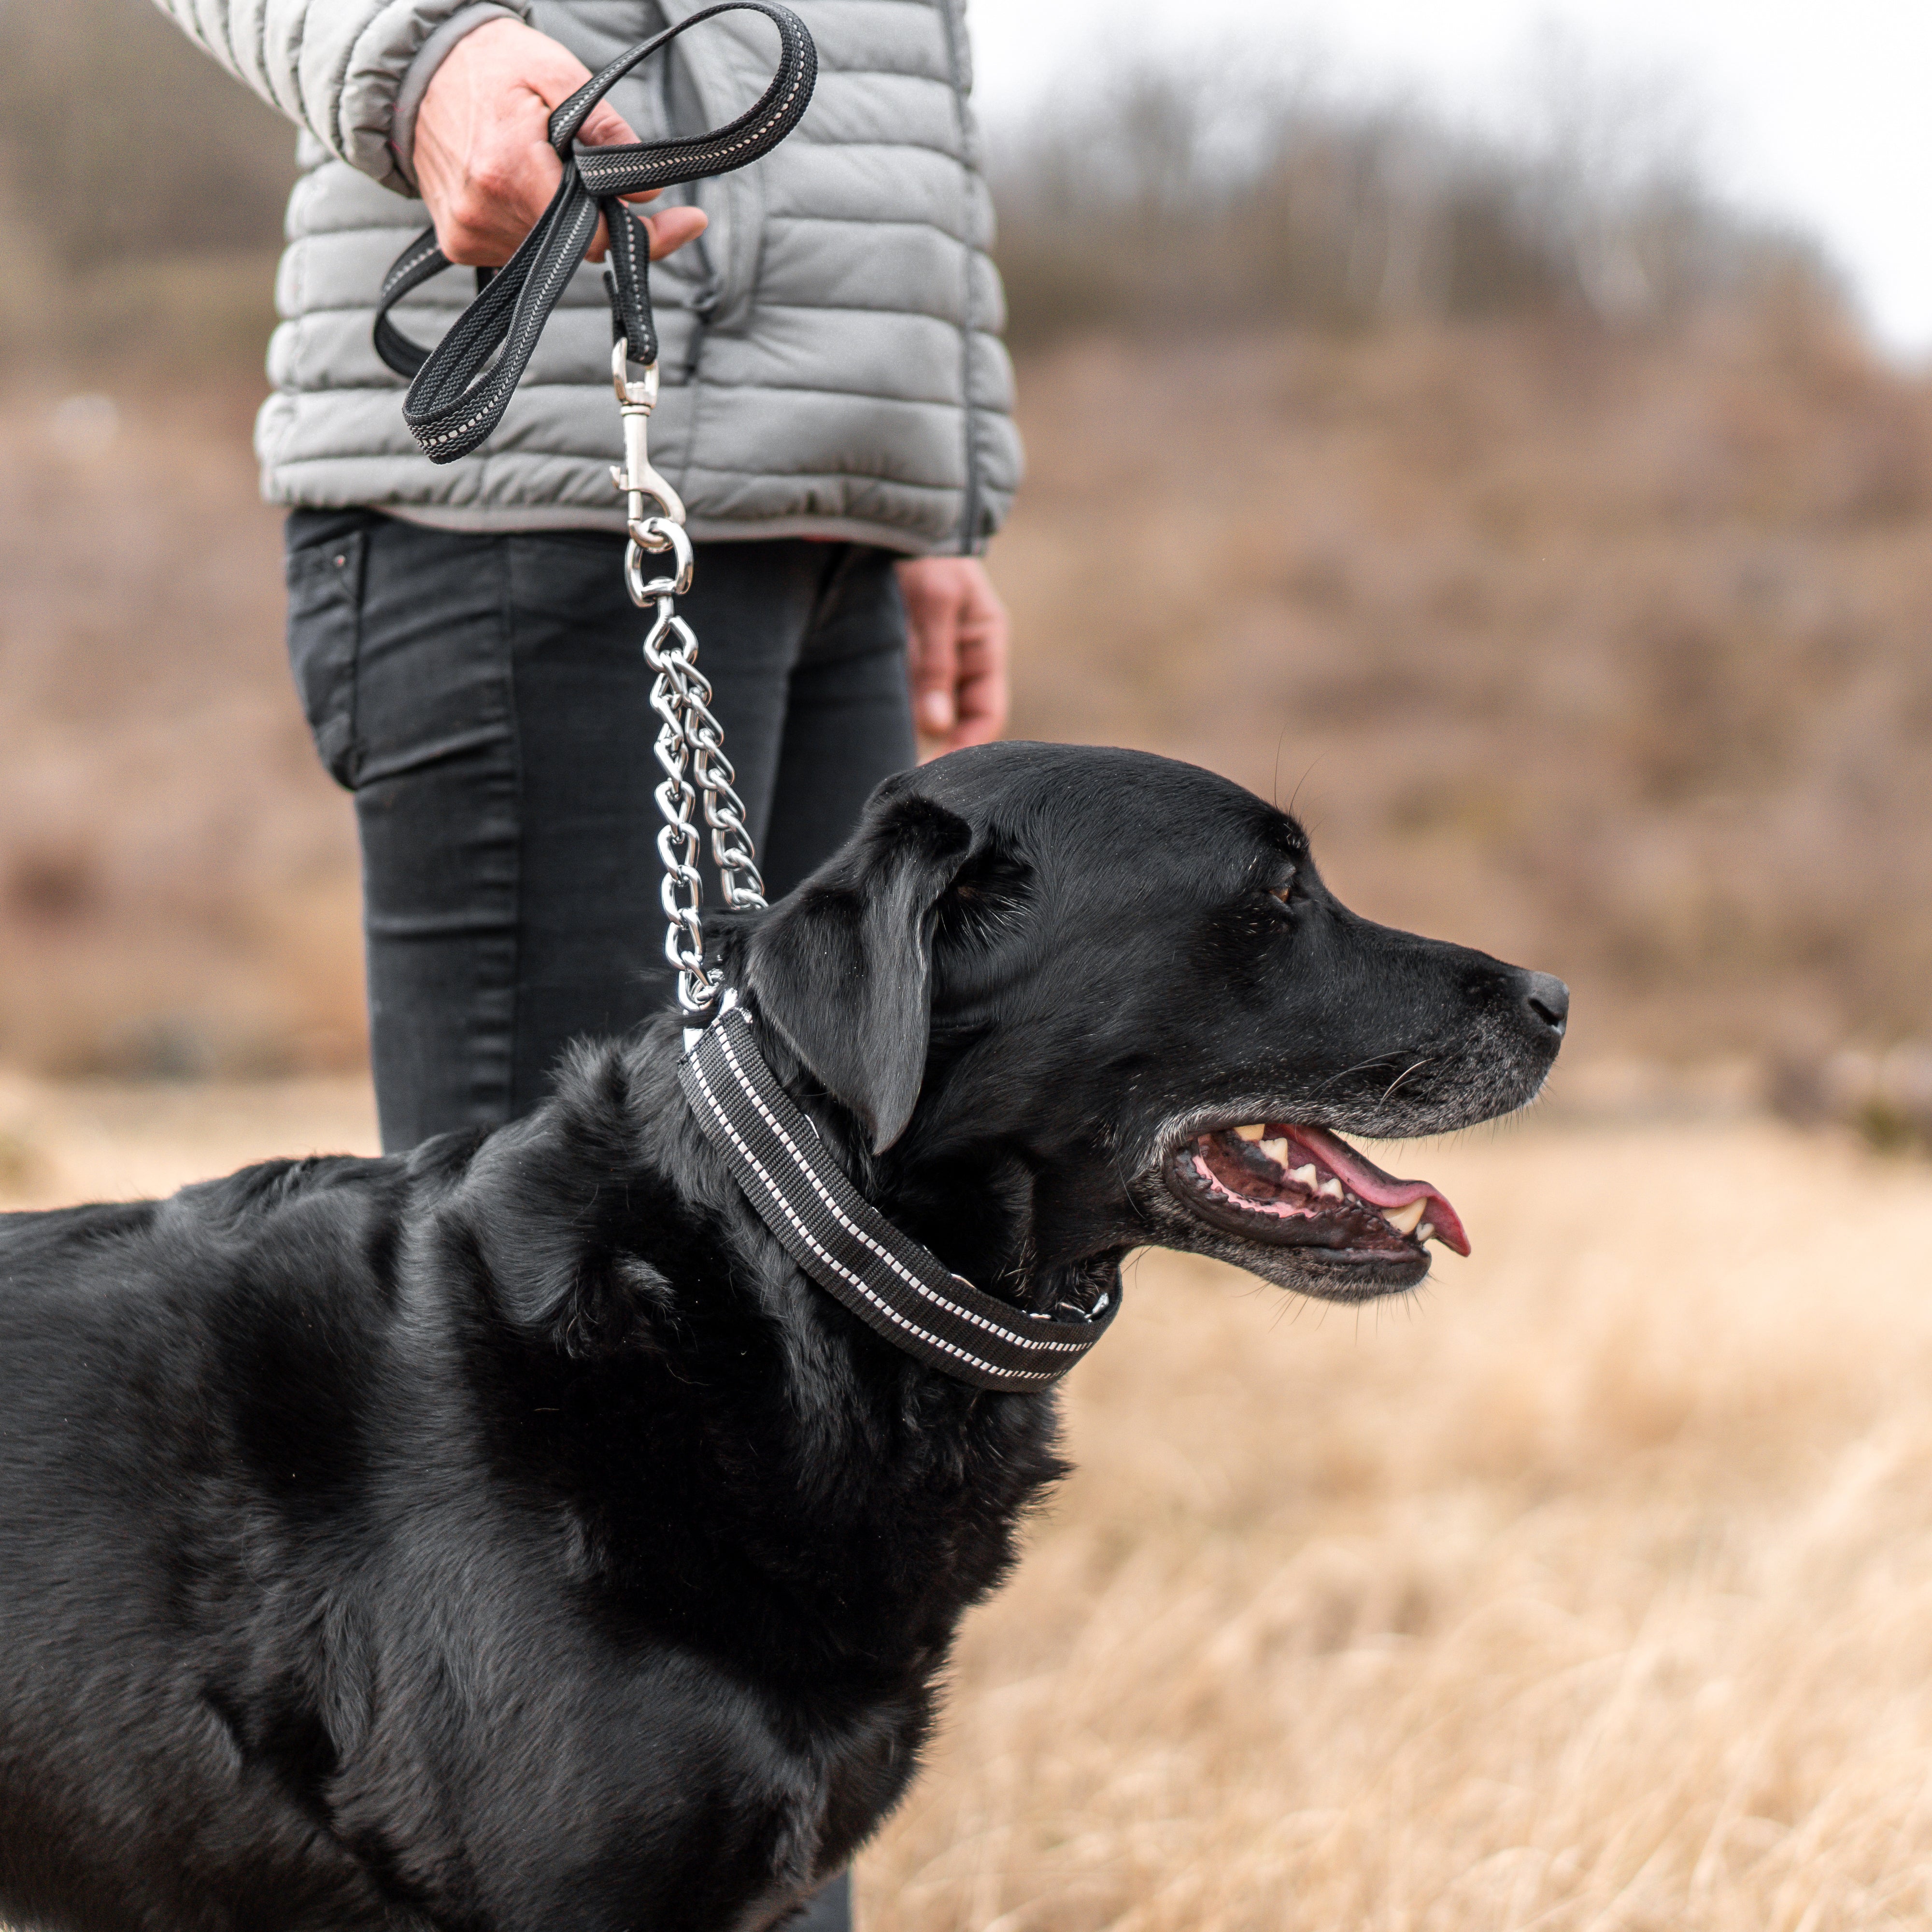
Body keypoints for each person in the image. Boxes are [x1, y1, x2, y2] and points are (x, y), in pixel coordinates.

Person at [150, 2, 1023, 1925]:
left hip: (825, 517)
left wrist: (927, 480)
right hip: (539, 484)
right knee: (549, 1500)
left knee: (800, 1457)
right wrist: (419, 51)